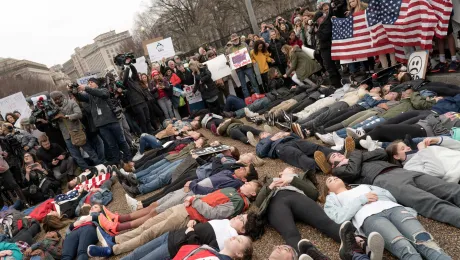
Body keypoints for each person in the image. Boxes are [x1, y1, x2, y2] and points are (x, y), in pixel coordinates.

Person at [86, 184, 262, 257]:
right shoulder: (232, 190)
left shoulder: (239, 203)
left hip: (187, 216)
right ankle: (115, 238)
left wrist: (194, 200)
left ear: (252, 193)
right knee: (148, 224)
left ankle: (113, 249)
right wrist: (194, 198)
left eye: (250, 186)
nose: (245, 184)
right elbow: (209, 196)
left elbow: (212, 212)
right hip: (184, 208)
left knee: (150, 233)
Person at [320, 149, 460, 228]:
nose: (337, 154)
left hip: (402, 171)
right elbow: (352, 172)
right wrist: (353, 156)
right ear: (332, 165)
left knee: (449, 189)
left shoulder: (355, 158)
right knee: (429, 202)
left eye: (338, 152)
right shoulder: (339, 171)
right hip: (384, 180)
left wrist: (354, 156)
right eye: (333, 156)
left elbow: (382, 153)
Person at [99, 165, 258, 234]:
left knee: (155, 213)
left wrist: (194, 186)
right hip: (188, 189)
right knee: (155, 204)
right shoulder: (230, 174)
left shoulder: (235, 184)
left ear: (244, 180)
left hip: (191, 193)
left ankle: (119, 227)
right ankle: (119, 218)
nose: (240, 167)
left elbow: (212, 191)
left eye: (245, 170)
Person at [324, 176, 452, 260]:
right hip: (370, 218)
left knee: (426, 242)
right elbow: (338, 218)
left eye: (334, 177)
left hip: (394, 209)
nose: (333, 178)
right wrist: (362, 199)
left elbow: (388, 195)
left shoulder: (361, 186)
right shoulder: (333, 200)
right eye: (329, 181)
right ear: (328, 191)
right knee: (404, 248)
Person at [112, 213, 258, 260]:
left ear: (243, 230)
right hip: (173, 235)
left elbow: (201, 249)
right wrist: (196, 222)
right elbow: (206, 228)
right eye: (240, 215)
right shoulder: (226, 221)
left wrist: (191, 232)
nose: (238, 217)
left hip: (174, 247)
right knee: (136, 253)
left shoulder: (228, 238)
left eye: (241, 220)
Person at [72, 79, 133, 166]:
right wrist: (74, 91)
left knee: (121, 140)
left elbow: (103, 94)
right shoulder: (89, 96)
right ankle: (118, 162)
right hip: (101, 125)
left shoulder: (103, 90)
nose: (90, 84)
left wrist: (86, 88)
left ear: (97, 84)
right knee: (111, 145)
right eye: (88, 83)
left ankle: (129, 159)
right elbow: (80, 97)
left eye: (91, 82)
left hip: (112, 121)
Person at [385, 136, 460, 183]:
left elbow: (458, 146)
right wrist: (423, 150)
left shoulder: (424, 150)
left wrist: (438, 140)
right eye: (403, 149)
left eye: (406, 146)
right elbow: (436, 173)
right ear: (396, 157)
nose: (408, 148)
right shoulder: (409, 167)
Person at [122, 61, 155, 135]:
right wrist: (126, 68)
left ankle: (151, 133)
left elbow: (134, 72)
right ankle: (146, 135)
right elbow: (125, 78)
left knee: (147, 119)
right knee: (143, 120)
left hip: (143, 101)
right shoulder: (124, 83)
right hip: (136, 104)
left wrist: (130, 64)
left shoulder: (134, 80)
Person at [226, 33, 260, 98]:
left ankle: (258, 95)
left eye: (236, 39)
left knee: (253, 82)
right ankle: (248, 99)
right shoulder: (230, 49)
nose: (235, 40)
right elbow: (229, 59)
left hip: (248, 67)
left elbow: (249, 53)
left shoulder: (244, 44)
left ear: (238, 38)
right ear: (231, 41)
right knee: (243, 86)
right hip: (239, 69)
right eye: (233, 40)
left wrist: (248, 61)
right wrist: (228, 61)